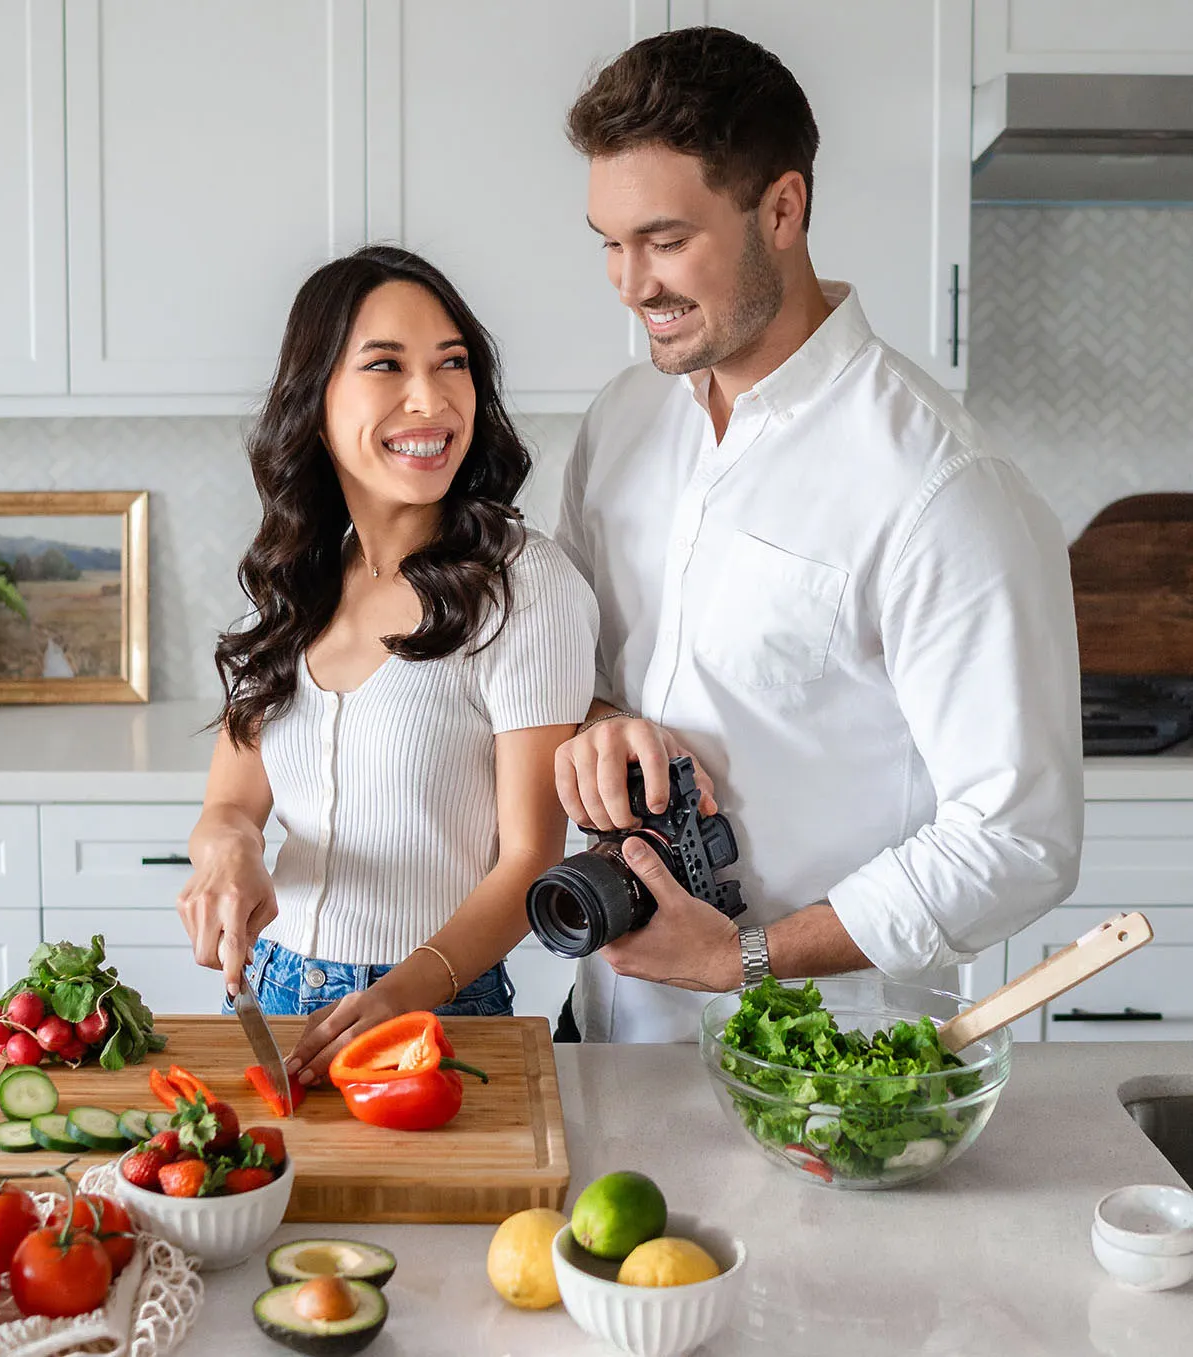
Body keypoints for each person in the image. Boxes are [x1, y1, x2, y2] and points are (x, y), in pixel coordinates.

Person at [550, 28, 1084, 1043]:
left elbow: (1017, 839)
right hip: (605, 1034)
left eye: (666, 240)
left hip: (822, 1066)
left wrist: (738, 958)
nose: (630, 284)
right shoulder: (622, 420)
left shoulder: (938, 485)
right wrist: (596, 714)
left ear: (782, 209)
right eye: (608, 244)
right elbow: (565, 664)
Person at [178, 245, 597, 1083]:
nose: (432, 398)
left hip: (430, 1009)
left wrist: (405, 990)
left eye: (453, 364)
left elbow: (531, 859)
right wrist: (229, 855)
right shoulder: (298, 580)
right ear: (316, 398)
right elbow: (231, 800)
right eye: (385, 365)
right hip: (262, 994)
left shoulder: (522, 584)